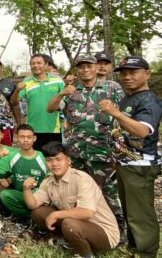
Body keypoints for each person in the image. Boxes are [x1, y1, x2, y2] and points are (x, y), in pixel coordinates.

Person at [46, 55, 124, 232]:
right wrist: (61, 93)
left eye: (89, 66)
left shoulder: (112, 88)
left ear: (97, 68)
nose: (85, 70)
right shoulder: (73, 90)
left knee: (108, 193)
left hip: (103, 152)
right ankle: (82, 229)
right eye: (81, 67)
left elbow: (125, 114)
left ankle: (117, 231)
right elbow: (50, 108)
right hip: (76, 153)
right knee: (77, 192)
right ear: (77, 70)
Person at [99, 56, 161, 258]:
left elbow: (143, 131)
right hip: (125, 162)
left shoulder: (148, 100)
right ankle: (135, 249)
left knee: (140, 214)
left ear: (147, 74)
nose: (127, 77)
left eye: (133, 72)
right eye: (123, 73)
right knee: (130, 212)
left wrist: (115, 113)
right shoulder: (130, 97)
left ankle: (146, 253)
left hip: (139, 164)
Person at [24, 142, 120, 257]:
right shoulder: (48, 180)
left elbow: (87, 212)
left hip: (104, 233)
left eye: (58, 159)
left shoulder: (81, 179)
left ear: (68, 161)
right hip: (76, 225)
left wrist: (56, 215)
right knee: (38, 212)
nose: (54, 164)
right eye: (49, 160)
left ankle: (85, 255)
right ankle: (66, 240)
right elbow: (33, 205)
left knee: (69, 224)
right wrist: (26, 189)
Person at [0, 124, 47, 221]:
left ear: (34, 138)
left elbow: (52, 177)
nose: (26, 140)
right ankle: (27, 216)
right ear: (16, 138)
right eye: (22, 137)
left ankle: (38, 216)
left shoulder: (43, 158)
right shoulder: (12, 156)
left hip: (38, 195)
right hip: (20, 193)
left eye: (29, 137)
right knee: (4, 195)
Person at [12, 54, 64, 150]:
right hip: (32, 129)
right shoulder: (26, 81)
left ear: (46, 65)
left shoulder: (57, 80)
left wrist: (65, 121)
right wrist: (17, 90)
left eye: (39, 63)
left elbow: (65, 102)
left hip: (54, 129)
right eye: (33, 63)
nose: (35, 65)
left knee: (52, 159)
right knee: (35, 159)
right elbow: (14, 102)